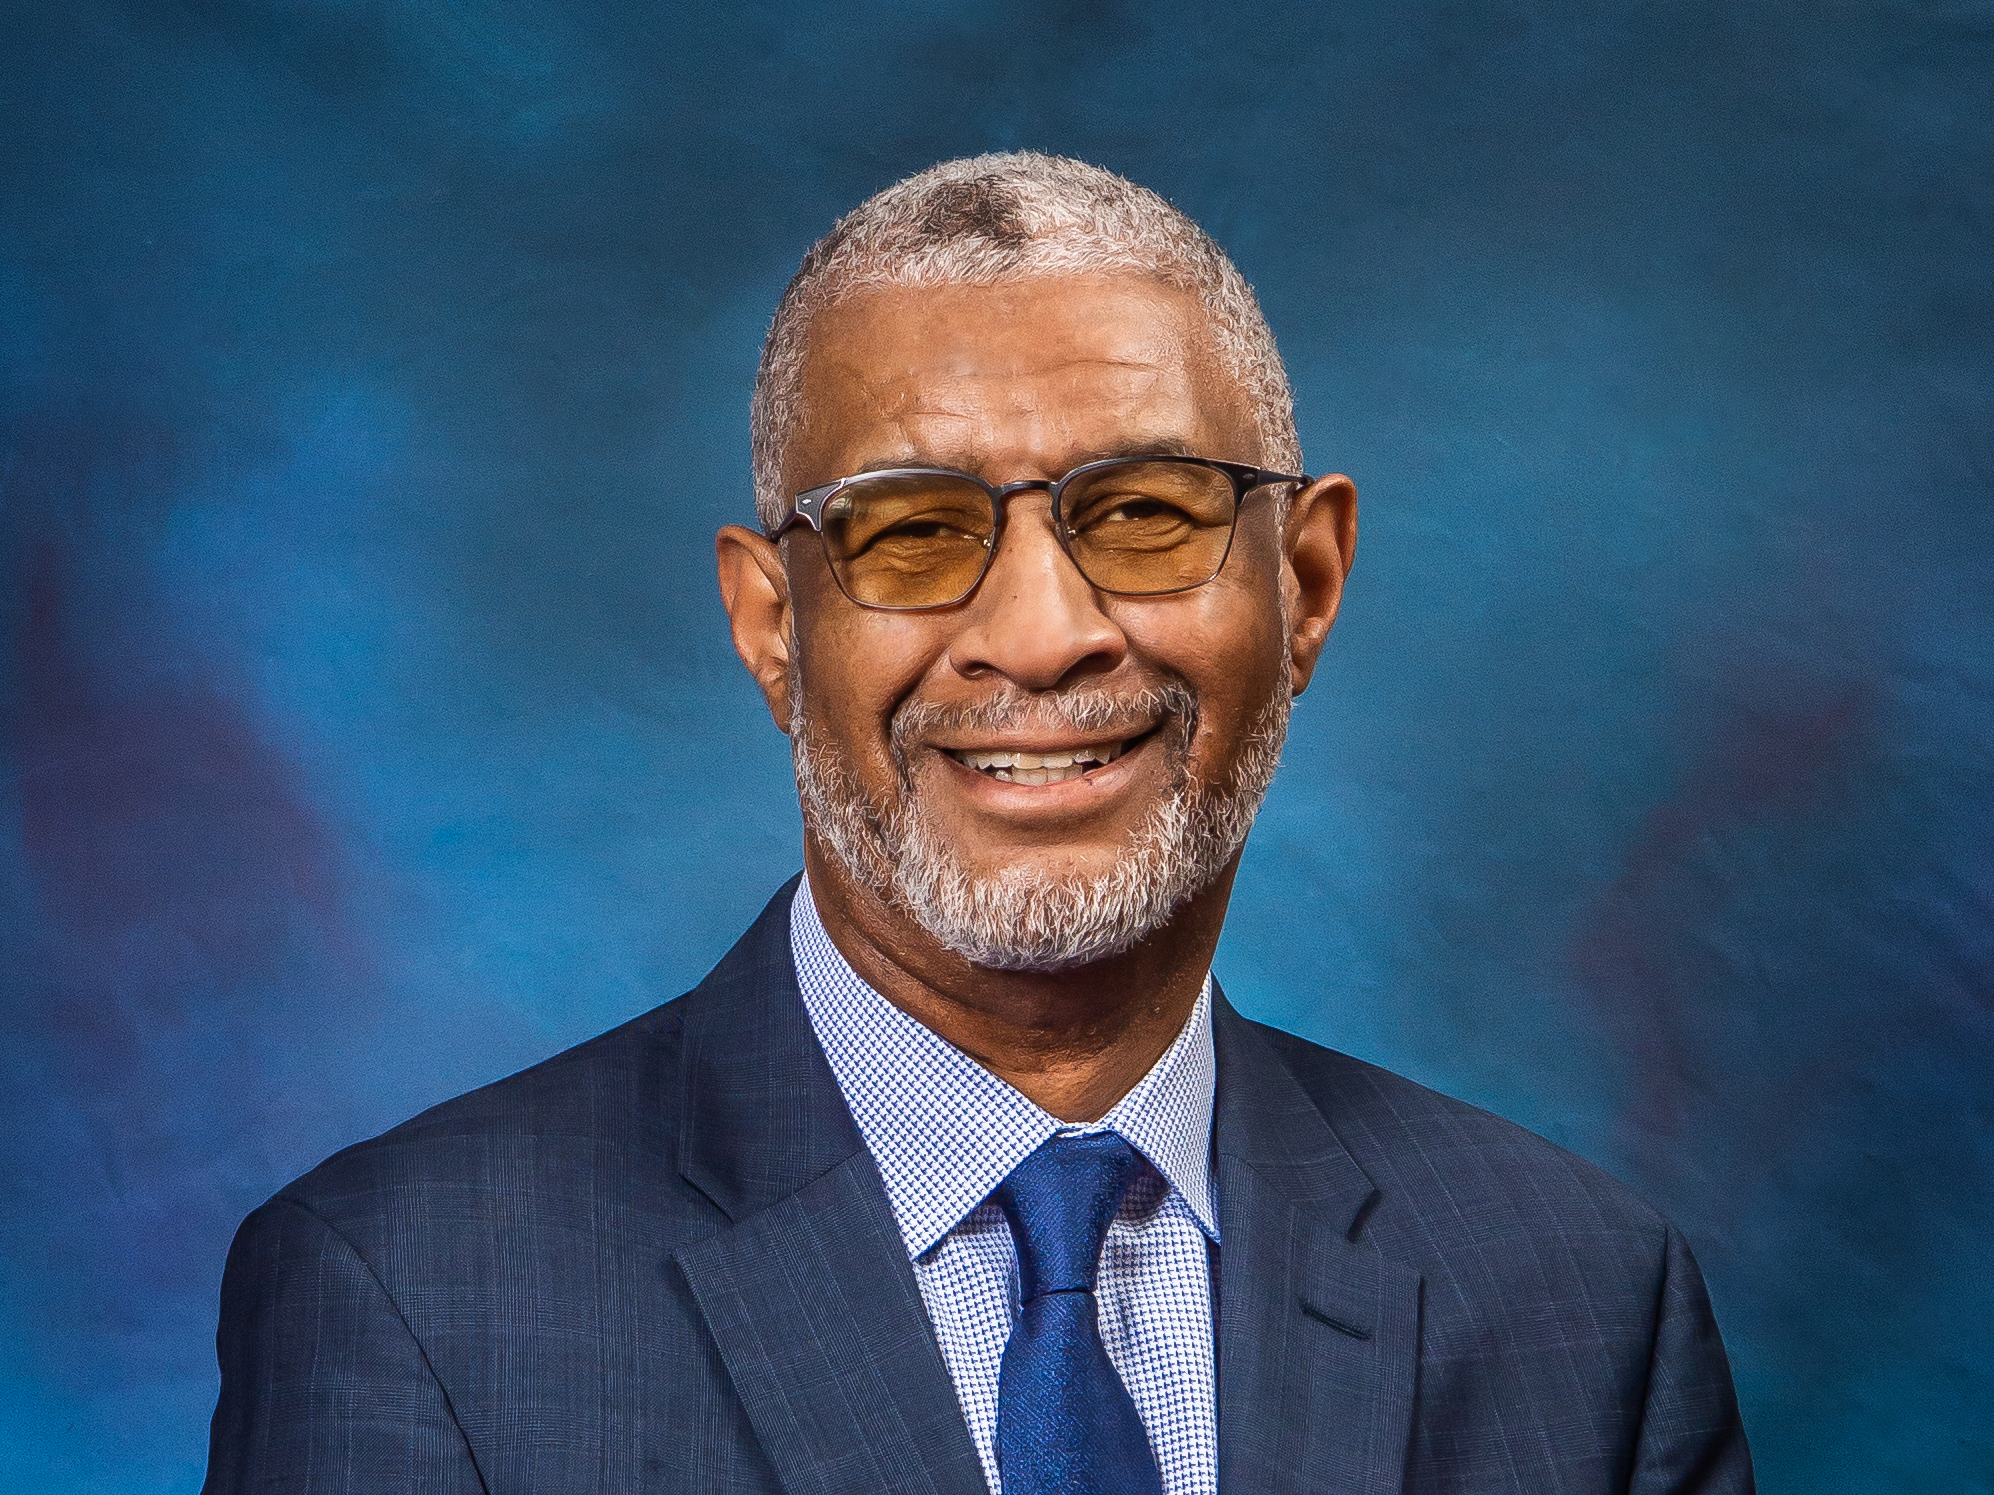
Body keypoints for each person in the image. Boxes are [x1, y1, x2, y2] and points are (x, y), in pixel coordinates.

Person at [203, 152, 1754, 1495]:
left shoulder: (1575, 1297)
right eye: (914, 528)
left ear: (1304, 585)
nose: (1039, 633)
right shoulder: (408, 1294)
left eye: (1146, 511)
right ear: (768, 626)